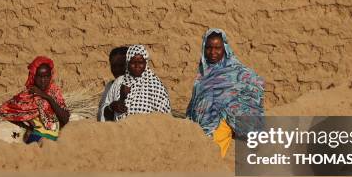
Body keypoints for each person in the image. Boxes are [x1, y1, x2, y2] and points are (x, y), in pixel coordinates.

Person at [186, 28, 265, 157]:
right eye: (209, 47)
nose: (212, 52)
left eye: (217, 48)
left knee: (211, 160)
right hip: (198, 130)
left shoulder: (236, 71)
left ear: (225, 49)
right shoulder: (203, 73)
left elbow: (254, 84)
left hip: (220, 126)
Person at [0, 56, 70, 143]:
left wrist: (48, 97)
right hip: (37, 135)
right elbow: (3, 111)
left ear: (51, 76)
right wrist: (26, 124)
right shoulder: (27, 95)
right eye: (40, 77)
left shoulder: (54, 92)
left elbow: (65, 119)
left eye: (46, 76)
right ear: (33, 77)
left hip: (54, 136)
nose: (43, 80)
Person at [103, 44, 171, 120]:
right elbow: (104, 115)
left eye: (140, 62)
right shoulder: (118, 83)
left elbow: (165, 120)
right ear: (127, 63)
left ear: (146, 63)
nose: (137, 66)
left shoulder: (157, 87)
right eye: (133, 62)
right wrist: (112, 107)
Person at [98, 46, 128, 122]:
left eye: (121, 66)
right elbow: (101, 115)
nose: (117, 70)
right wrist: (111, 107)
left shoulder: (144, 85)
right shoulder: (110, 86)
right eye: (114, 66)